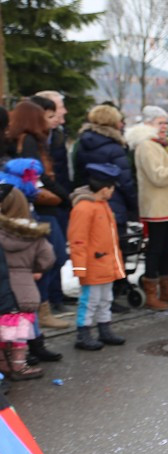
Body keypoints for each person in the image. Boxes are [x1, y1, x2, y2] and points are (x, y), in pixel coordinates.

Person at [5, 100, 72, 331]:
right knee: (49, 259)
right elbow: (37, 180)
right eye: (46, 115)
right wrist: (65, 196)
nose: (49, 119)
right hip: (40, 209)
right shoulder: (30, 141)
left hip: (37, 208)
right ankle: (39, 311)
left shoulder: (22, 140)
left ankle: (38, 314)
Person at [128, 105, 168, 311]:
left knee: (166, 249)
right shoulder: (146, 145)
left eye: (165, 122)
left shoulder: (163, 143)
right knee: (155, 249)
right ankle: (152, 289)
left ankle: (166, 289)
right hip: (156, 207)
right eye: (160, 123)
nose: (165, 127)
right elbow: (158, 175)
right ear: (148, 124)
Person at [68, 164, 126, 351]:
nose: (113, 191)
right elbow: (78, 240)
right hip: (93, 264)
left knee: (105, 298)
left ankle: (104, 328)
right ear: (104, 189)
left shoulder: (102, 205)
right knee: (90, 300)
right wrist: (79, 268)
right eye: (111, 188)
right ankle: (83, 333)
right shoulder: (85, 208)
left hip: (105, 263)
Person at [0, 185, 55, 380]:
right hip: (24, 288)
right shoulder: (32, 232)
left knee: (3, 331)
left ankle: (4, 365)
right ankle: (19, 367)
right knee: (18, 335)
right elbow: (47, 259)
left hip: (2, 288)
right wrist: (35, 269)